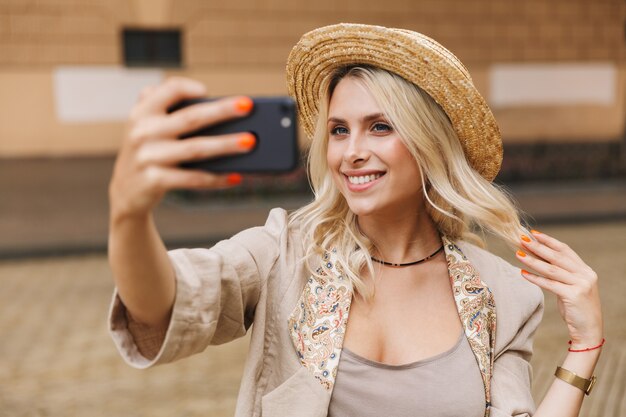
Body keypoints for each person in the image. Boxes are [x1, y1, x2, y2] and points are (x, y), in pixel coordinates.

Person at [107, 23, 604, 417]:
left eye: (380, 127)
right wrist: (128, 215)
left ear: (430, 144)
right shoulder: (286, 254)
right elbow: (164, 304)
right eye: (339, 130)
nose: (352, 153)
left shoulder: (501, 292)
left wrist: (584, 346)